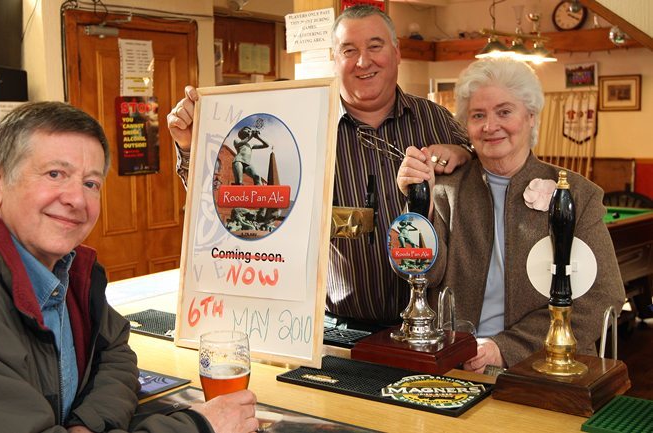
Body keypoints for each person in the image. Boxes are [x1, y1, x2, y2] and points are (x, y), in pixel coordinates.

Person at [0, 102, 259, 433]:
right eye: (55, 174)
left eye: (91, 183)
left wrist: (86, 424)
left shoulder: (64, 269)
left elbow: (115, 352)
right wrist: (201, 425)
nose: (76, 198)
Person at [168, 5, 472, 327]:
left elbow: (483, 185)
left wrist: (465, 153)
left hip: (428, 325)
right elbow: (230, 198)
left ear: (396, 53)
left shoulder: (435, 120)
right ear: (334, 60)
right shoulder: (300, 125)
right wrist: (191, 146)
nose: (363, 61)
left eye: (375, 46)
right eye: (349, 50)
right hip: (336, 329)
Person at [396, 58, 626, 373]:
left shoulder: (578, 194)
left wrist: (504, 349)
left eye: (505, 112)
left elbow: (604, 296)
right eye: (478, 115)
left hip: (548, 368)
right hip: (455, 365)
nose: (490, 126)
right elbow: (420, 274)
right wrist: (418, 205)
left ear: (530, 117)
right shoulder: (445, 190)